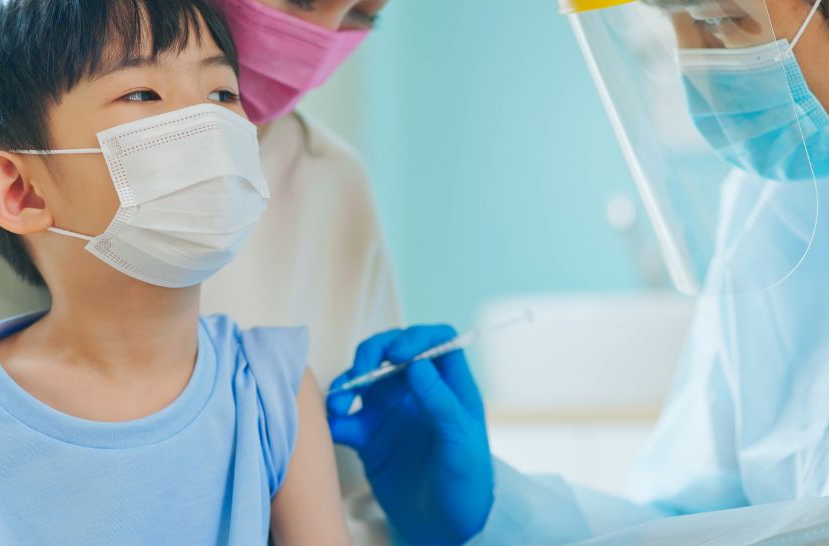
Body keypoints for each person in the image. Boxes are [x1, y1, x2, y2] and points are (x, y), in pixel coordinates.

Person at [0, 0, 396, 542]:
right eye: (142, 94)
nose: (208, 126)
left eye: (222, 95)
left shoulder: (272, 391)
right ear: (20, 191)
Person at [328, 0, 829, 544]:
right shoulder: (776, 206)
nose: (695, 69)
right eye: (669, 22)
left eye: (718, 20)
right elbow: (698, 517)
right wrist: (492, 513)